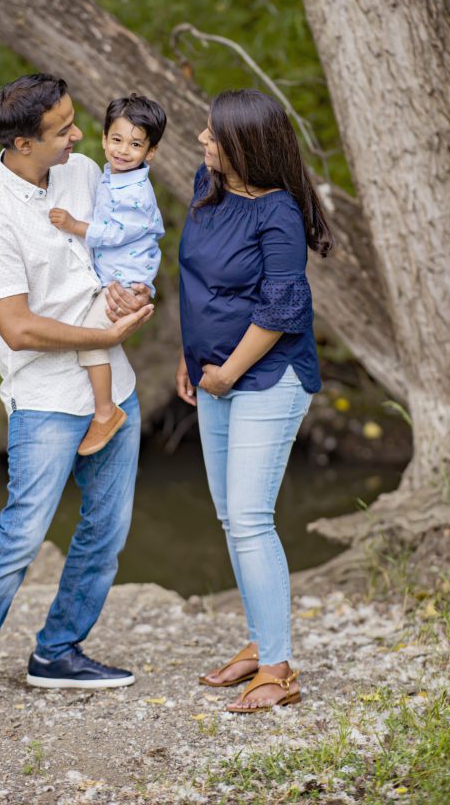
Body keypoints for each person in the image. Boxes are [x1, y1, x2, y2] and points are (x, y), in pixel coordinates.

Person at [0, 74, 153, 727]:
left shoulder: (85, 172)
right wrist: (101, 332)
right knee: (22, 536)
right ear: (24, 142)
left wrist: (133, 294)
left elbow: (128, 245)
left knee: (106, 534)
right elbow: (18, 327)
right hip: (44, 400)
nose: (80, 136)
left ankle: (56, 652)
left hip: (116, 387)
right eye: (64, 129)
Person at [175, 88, 333, 713]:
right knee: (231, 518)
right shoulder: (207, 186)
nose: (201, 141)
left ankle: (279, 670)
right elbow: (198, 283)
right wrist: (192, 365)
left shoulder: (279, 214)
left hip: (268, 376)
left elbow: (282, 308)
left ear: (246, 145)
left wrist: (227, 373)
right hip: (212, 375)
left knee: (249, 518)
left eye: (212, 135)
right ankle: (261, 640)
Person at [48, 94, 166, 456]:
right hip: (117, 276)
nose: (123, 150)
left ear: (150, 153)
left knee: (90, 339)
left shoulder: (135, 192)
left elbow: (116, 232)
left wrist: (74, 225)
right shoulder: (112, 175)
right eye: (116, 140)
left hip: (127, 282)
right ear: (103, 139)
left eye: (135, 144)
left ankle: (105, 412)